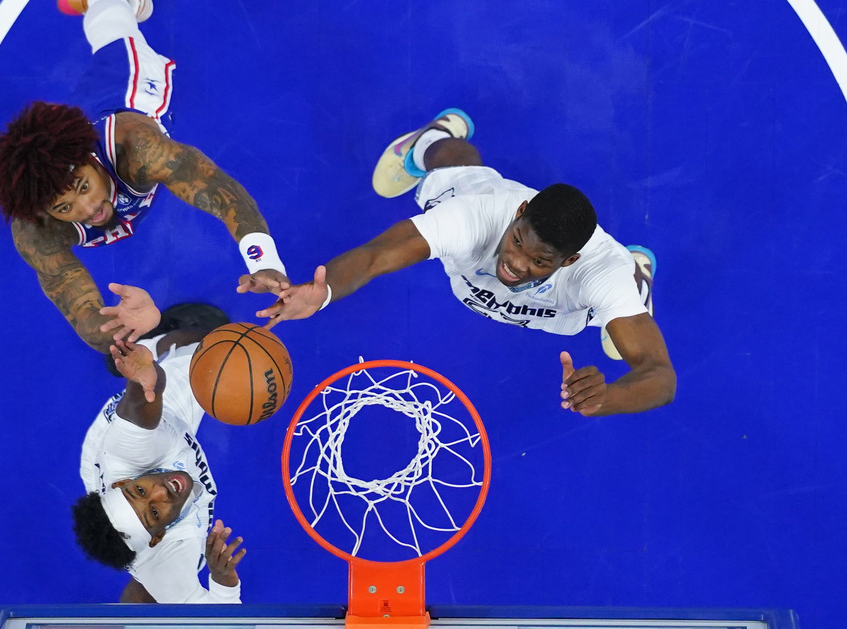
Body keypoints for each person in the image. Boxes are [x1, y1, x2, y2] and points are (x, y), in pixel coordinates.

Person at [253, 109, 676, 417]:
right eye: (517, 242)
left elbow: (659, 375)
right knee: (454, 165)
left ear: (570, 260)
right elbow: (376, 255)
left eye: (539, 261)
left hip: (570, 306)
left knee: (621, 311)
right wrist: (323, 293)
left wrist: (608, 398)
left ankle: (636, 273)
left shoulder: (594, 274)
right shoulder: (475, 216)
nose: (514, 263)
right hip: (478, 217)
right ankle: (431, 137)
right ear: (519, 212)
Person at [0, 0, 287, 354]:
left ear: (89, 157)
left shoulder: (137, 150)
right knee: (89, 82)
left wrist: (265, 261)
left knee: (118, 44)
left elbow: (221, 192)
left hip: (131, 95)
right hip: (85, 123)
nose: (87, 210)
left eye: (82, 187)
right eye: (64, 208)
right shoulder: (37, 232)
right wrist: (125, 326)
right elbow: (84, 317)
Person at [72, 305, 245, 603]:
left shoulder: (127, 453)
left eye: (139, 490)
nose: (161, 492)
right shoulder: (170, 557)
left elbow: (142, 407)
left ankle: (155, 341)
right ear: (157, 537)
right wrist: (223, 581)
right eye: (154, 512)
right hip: (155, 556)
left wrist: (145, 378)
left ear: (121, 483)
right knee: (154, 589)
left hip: (153, 440)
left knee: (221, 350)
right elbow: (216, 624)